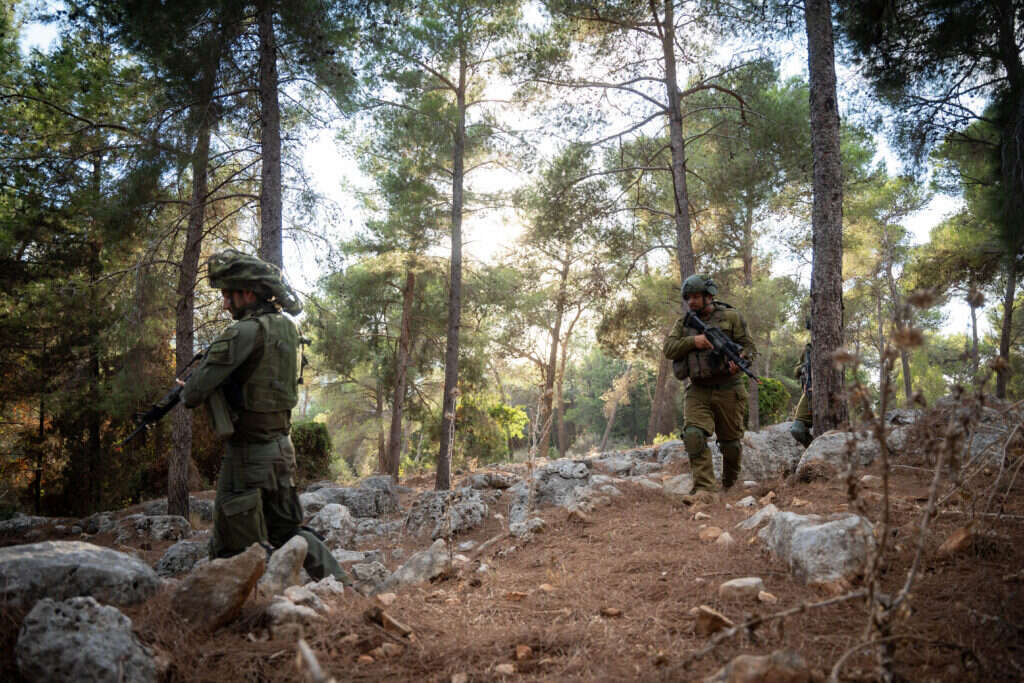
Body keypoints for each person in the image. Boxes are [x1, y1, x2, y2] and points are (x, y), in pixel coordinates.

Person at [182, 249, 350, 583]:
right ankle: (343, 587)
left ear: (248, 293)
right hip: (281, 451)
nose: (225, 303)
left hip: (247, 458)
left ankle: (243, 612)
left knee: (235, 543)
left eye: (229, 295)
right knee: (289, 530)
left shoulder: (242, 333)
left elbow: (192, 393)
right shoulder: (286, 327)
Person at [663, 275, 756, 505]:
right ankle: (705, 489)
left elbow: (749, 347)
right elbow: (669, 348)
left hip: (729, 388)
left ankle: (730, 485)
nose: (691, 302)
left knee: (731, 445)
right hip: (698, 389)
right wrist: (695, 341)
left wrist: (741, 360)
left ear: (709, 296)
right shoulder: (684, 324)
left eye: (696, 297)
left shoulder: (732, 317)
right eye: (688, 298)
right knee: (693, 435)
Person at [790, 337, 813, 447]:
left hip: (829, 396)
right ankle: (812, 448)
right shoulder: (808, 350)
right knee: (796, 430)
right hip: (808, 394)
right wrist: (802, 368)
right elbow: (795, 372)